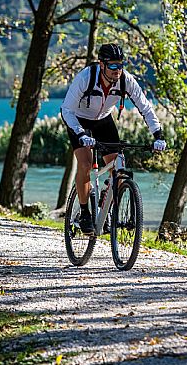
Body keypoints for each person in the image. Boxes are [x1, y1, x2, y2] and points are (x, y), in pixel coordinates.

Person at [61, 43, 166, 233]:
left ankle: (104, 207)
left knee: (119, 168)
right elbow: (66, 110)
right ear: (102, 65)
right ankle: (84, 213)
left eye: (121, 65)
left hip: (103, 120)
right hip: (78, 120)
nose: (118, 70)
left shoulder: (126, 80)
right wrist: (80, 133)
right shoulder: (86, 77)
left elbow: (146, 108)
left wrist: (158, 134)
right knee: (85, 164)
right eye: (113, 66)